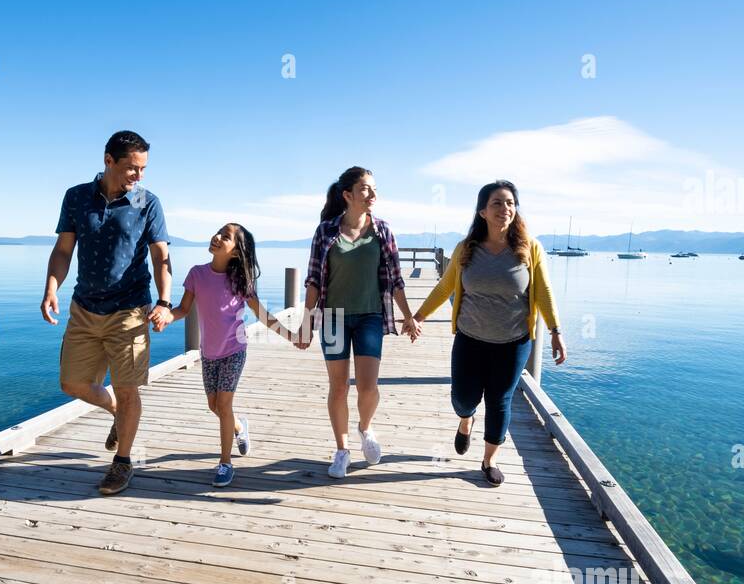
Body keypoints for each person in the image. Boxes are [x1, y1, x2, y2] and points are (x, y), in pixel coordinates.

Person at [40, 130, 173, 495]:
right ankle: (117, 412)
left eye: (143, 168)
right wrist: (52, 286)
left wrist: (163, 301)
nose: (138, 176)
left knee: (129, 390)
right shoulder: (77, 197)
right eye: (132, 168)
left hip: (130, 311)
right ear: (108, 160)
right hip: (84, 307)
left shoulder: (148, 202)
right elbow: (64, 250)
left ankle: (122, 463)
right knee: (72, 383)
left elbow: (161, 256)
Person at [412, 180, 567, 487]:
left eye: (510, 203)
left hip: (513, 342)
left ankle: (489, 460)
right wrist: (419, 315)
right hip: (470, 339)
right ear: (482, 211)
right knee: (463, 398)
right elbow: (446, 287)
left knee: (499, 399)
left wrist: (555, 330)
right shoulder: (466, 249)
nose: (505, 208)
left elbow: (544, 292)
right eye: (497, 203)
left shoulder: (530, 249)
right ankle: (465, 420)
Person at [300, 166, 422, 479]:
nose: (372, 195)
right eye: (365, 189)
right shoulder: (326, 231)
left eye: (374, 189)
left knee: (368, 389)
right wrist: (306, 320)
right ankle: (342, 450)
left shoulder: (382, 230)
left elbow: (395, 279)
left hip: (370, 315)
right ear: (348, 195)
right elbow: (314, 279)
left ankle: (365, 429)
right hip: (333, 318)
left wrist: (408, 316)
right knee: (338, 388)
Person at [166, 223, 299, 486]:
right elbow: (182, 308)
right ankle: (239, 427)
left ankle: (225, 463)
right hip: (209, 353)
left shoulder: (240, 281)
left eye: (225, 237)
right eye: (218, 232)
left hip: (234, 351)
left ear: (236, 252)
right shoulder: (196, 274)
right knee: (214, 406)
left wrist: (291, 336)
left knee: (224, 405)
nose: (216, 237)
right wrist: (165, 316)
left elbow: (262, 314)